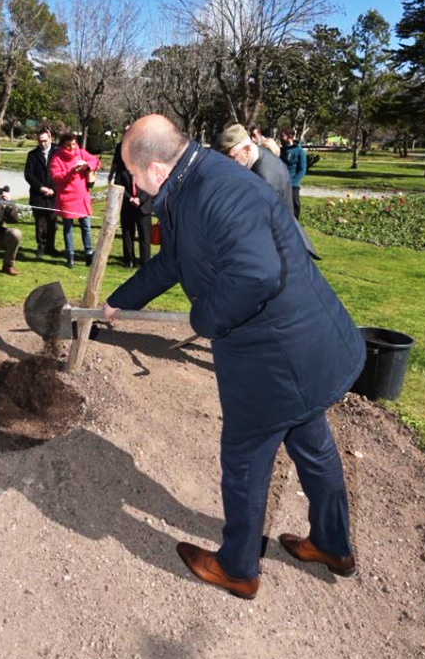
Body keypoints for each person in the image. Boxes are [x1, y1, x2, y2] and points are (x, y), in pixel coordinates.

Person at [103, 115, 364, 600]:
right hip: (301, 349)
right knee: (313, 444)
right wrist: (122, 300)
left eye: (133, 176)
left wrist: (204, 318)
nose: (134, 188)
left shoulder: (217, 191)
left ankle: (238, 567)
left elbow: (258, 275)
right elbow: (175, 260)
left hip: (277, 356)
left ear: (156, 169)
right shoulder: (191, 183)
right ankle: (333, 545)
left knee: (244, 458)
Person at [216, 123, 319, 260]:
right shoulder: (255, 154)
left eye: (230, 157)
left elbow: (255, 225)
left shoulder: (267, 179)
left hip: (281, 248)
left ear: (246, 150)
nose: (227, 163)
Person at [49, 132, 100, 268]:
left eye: (73, 144)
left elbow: (95, 160)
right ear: (62, 145)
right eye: (68, 145)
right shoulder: (57, 157)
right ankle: (70, 255)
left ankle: (88, 253)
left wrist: (87, 166)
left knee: (86, 226)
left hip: (81, 195)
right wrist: (71, 171)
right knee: (68, 227)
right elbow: (56, 176)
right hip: (66, 196)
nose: (72, 148)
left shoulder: (81, 152)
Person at [109, 127, 151, 267]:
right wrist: (130, 198)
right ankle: (129, 260)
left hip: (143, 205)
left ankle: (145, 262)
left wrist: (140, 199)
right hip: (127, 204)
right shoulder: (123, 169)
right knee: (127, 233)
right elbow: (118, 184)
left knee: (144, 236)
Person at [24, 127, 58, 258]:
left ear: (50, 138)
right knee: (40, 222)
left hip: (54, 194)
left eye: (45, 140)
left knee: (52, 221)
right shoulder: (32, 155)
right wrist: (41, 188)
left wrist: (53, 190)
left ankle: (51, 246)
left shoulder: (57, 152)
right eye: (40, 141)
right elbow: (28, 174)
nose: (43, 144)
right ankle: (41, 246)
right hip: (38, 194)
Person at [279, 126, 307, 220]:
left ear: (290, 136)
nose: (280, 138)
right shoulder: (280, 151)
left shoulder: (299, 151)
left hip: (293, 184)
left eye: (282, 136)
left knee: (295, 204)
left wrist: (293, 182)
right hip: (281, 183)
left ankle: (295, 222)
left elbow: (302, 170)